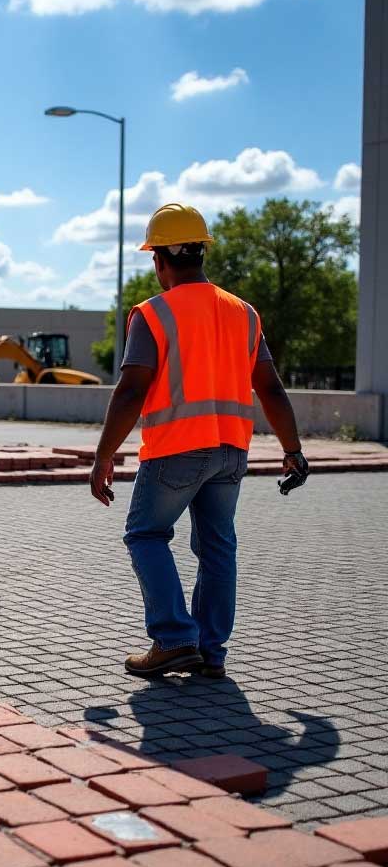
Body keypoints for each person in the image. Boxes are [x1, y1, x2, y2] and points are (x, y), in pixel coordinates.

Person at [90, 203, 308, 680]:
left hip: (175, 450)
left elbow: (131, 390)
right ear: (202, 254)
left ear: (159, 260)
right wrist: (292, 450)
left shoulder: (152, 314)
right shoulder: (244, 313)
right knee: (217, 547)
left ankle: (172, 639)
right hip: (231, 451)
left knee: (145, 534)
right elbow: (270, 387)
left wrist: (103, 456)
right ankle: (210, 651)